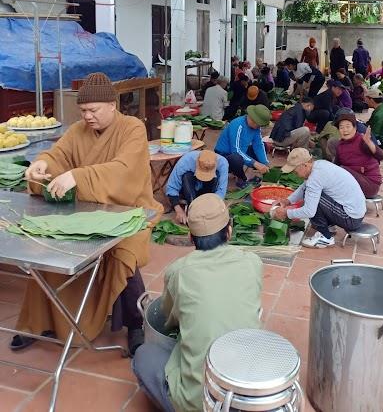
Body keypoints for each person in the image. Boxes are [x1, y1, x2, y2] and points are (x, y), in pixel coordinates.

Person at [13, 73, 163, 355]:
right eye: (83, 110)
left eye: (93, 110)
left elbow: (125, 171)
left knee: (123, 253)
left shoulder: (132, 128)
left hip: (130, 212)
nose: (87, 116)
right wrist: (41, 164)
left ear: (112, 105)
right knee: (48, 244)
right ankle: (39, 322)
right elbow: (57, 155)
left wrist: (77, 177)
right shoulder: (77, 130)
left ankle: (135, 324)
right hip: (85, 210)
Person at [132, 194, 262, 411]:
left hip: (201, 402)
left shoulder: (179, 271)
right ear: (229, 231)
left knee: (144, 356)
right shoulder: (253, 262)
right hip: (247, 395)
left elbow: (169, 320)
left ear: (191, 238)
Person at [272, 149, 366, 249]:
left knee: (312, 200)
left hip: (351, 217)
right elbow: (305, 186)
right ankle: (329, 226)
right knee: (310, 194)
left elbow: (309, 211)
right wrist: (288, 201)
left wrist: (286, 213)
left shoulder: (315, 178)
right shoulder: (319, 165)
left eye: (295, 170)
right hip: (356, 211)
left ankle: (325, 237)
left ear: (304, 165)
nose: (295, 173)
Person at [215, 104, 271, 188]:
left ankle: (248, 174)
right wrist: (255, 163)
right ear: (253, 120)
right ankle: (241, 178)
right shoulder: (237, 125)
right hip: (224, 155)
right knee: (236, 158)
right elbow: (236, 150)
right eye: (259, 125)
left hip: (240, 152)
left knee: (264, 146)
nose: (259, 127)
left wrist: (265, 163)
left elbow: (258, 145)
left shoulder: (256, 128)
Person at [166, 150, 229, 224]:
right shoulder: (186, 160)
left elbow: (221, 190)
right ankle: (191, 205)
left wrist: (214, 206)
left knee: (217, 176)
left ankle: (206, 203)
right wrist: (178, 210)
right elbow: (172, 187)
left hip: (207, 190)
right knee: (187, 175)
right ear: (197, 163)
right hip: (189, 189)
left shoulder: (223, 163)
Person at [333, 113, 383, 198]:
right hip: (352, 182)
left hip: (369, 184)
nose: (345, 130)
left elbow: (382, 156)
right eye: (341, 127)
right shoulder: (340, 145)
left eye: (348, 126)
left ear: (355, 128)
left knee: (342, 169)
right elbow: (335, 166)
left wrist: (369, 143)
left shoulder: (362, 141)